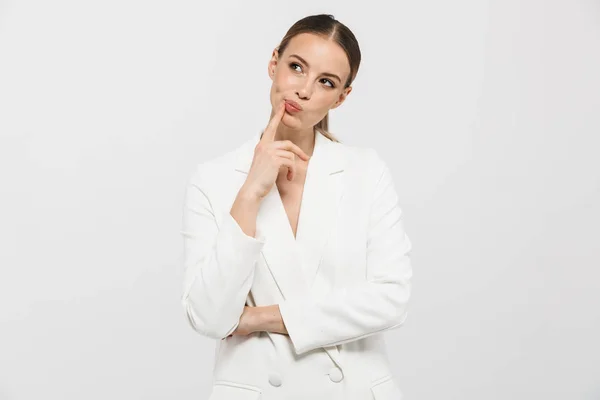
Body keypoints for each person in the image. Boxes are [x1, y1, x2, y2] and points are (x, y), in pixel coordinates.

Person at [180, 13, 413, 400]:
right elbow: (208, 317)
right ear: (274, 64)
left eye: (325, 82)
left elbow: (391, 300)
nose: (303, 90)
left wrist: (260, 317)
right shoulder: (214, 179)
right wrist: (252, 191)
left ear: (341, 97)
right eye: (295, 67)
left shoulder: (364, 171)